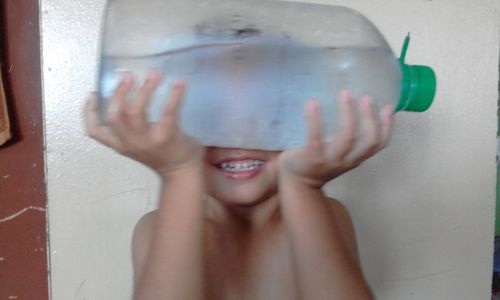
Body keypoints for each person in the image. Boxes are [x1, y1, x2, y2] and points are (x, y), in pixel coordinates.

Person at [84, 70, 393, 300]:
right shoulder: (154, 227)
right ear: (175, 130)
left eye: (268, 116)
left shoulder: (325, 213)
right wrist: (179, 172)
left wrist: (304, 185)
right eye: (208, 119)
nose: (238, 138)